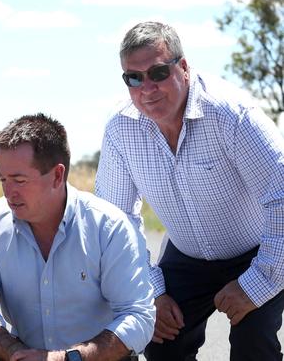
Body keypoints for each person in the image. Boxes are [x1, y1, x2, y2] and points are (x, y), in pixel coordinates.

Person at [95, 21, 284, 361]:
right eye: (133, 78)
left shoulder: (232, 115)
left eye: (157, 72)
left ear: (183, 67)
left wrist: (256, 285)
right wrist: (152, 292)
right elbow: (116, 219)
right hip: (186, 255)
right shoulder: (120, 130)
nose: (147, 87)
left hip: (258, 251)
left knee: (253, 346)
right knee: (160, 341)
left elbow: (281, 198)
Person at [0, 113, 155, 361]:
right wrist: (14, 351)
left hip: (91, 359)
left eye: (19, 180)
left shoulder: (109, 226)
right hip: (23, 355)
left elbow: (138, 317)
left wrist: (65, 358)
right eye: (2, 179)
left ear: (57, 175)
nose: (8, 192)